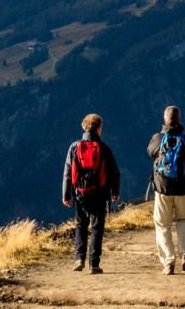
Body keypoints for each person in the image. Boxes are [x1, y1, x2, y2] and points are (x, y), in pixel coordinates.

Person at [146, 105, 185, 275]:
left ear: (165, 120)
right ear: (179, 120)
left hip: (163, 189)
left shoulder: (157, 138)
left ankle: (168, 262)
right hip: (183, 189)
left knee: (163, 225)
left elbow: (150, 152)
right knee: (183, 221)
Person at [61, 112, 121, 274]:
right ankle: (94, 264)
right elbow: (114, 172)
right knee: (97, 227)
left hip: (80, 194)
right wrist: (115, 192)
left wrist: (66, 195)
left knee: (81, 225)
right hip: (100, 194)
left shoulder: (74, 147)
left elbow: (67, 172)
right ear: (99, 128)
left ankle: (79, 259)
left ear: (84, 127)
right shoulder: (104, 149)